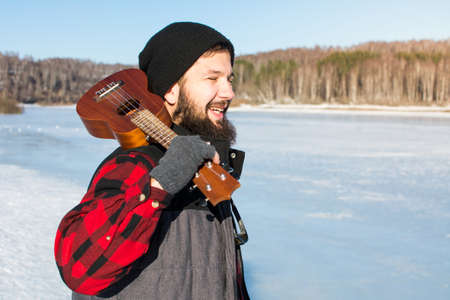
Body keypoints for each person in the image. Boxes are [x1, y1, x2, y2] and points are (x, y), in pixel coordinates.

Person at [54, 22, 250, 300]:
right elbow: (79, 268)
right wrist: (162, 182)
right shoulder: (135, 165)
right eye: (212, 78)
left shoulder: (207, 169)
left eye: (229, 78)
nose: (228, 92)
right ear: (171, 89)